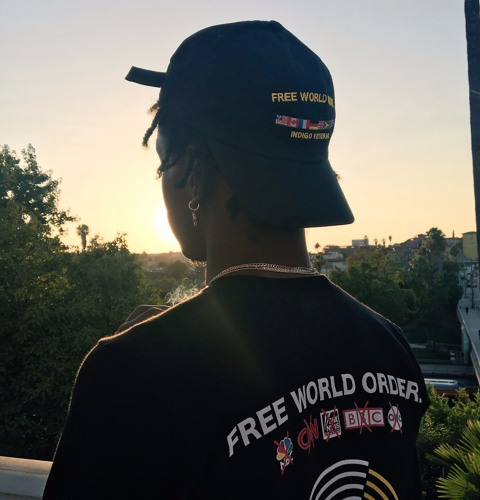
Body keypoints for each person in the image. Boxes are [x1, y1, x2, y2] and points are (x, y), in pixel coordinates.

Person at [43, 21, 428, 499]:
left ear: (192, 168)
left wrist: (147, 355)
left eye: (163, 162)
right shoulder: (389, 347)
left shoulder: (130, 375)